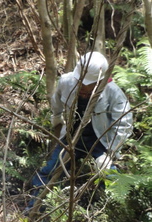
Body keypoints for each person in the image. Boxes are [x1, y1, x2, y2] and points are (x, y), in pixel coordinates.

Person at [27, 51, 133, 211]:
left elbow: (124, 124)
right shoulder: (66, 82)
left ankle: (113, 213)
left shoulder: (113, 92)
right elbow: (57, 101)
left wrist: (110, 153)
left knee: (111, 177)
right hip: (72, 136)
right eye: (81, 83)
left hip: (100, 140)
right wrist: (56, 116)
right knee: (50, 170)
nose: (83, 88)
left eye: (89, 85)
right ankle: (34, 208)